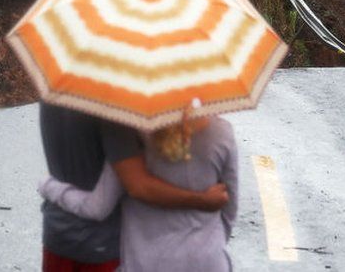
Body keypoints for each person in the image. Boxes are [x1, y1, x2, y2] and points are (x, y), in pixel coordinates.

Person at [39, 103, 230, 272]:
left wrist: (50, 186)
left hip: (56, 236)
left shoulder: (51, 98)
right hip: (102, 248)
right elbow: (138, 186)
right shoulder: (112, 112)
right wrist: (202, 200)